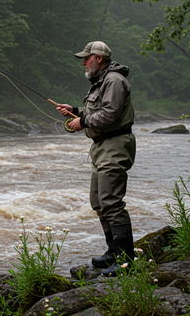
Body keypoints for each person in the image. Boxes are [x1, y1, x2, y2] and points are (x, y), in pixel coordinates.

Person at [57, 41, 136, 277]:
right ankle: (113, 253)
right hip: (102, 146)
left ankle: (125, 262)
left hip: (115, 144)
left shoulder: (114, 80)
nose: (83, 62)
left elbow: (110, 115)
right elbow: (97, 112)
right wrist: (75, 110)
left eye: (86, 58)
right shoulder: (102, 82)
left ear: (99, 58)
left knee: (111, 202)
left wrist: (82, 122)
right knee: (99, 202)